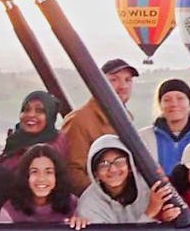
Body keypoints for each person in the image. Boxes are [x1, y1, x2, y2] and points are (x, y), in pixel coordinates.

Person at [60, 58, 139, 195]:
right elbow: (71, 172)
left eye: (128, 80)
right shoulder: (78, 121)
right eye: (114, 80)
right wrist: (104, 197)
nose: (123, 86)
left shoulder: (127, 119)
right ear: (98, 84)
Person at [77, 135, 180, 224]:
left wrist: (167, 219)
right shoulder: (88, 203)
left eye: (119, 161)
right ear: (95, 173)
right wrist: (150, 213)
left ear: (130, 166)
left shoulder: (151, 188)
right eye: (103, 164)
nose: (112, 169)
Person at [138, 78, 190, 174]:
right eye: (167, 100)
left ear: (189, 103)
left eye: (180, 98)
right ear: (160, 105)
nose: (174, 104)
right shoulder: (143, 137)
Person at [0, 144, 86, 229]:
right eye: (34, 172)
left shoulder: (73, 204)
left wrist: (80, 223)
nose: (41, 178)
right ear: (25, 176)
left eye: (48, 172)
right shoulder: (9, 210)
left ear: (57, 175)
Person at [0, 90, 65, 171]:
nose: (31, 115)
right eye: (26, 110)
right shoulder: (16, 140)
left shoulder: (46, 152)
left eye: (39, 111)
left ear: (50, 116)